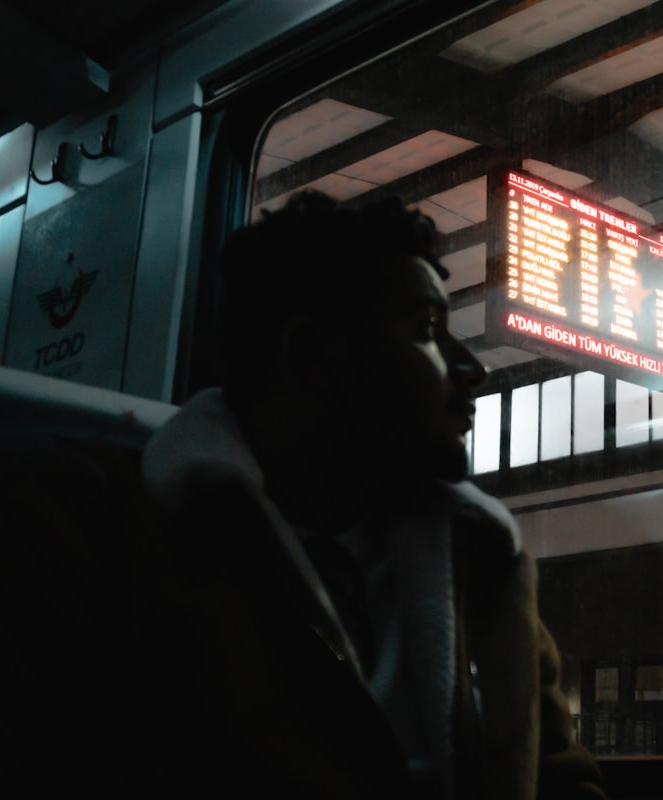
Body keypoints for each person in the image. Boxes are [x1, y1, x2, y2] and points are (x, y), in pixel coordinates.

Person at [139, 191, 607, 798]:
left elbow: (562, 778)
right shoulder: (114, 541)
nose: (472, 369)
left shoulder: (485, 565)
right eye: (427, 329)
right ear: (315, 356)